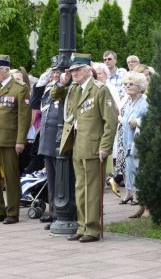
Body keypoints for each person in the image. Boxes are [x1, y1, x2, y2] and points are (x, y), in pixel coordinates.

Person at [52, 53, 118, 242]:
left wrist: (105, 147)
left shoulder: (99, 89)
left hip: (94, 147)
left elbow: (110, 121)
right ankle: (82, 226)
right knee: (80, 188)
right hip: (77, 145)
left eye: (78, 69)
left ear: (89, 70)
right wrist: (62, 83)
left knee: (92, 190)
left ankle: (92, 229)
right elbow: (55, 95)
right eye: (72, 70)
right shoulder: (73, 89)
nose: (74, 73)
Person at [30, 57, 63, 229]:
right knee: (51, 178)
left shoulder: (64, 89)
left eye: (58, 71)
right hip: (47, 140)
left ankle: (61, 212)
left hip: (58, 139)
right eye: (54, 71)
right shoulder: (49, 88)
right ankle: (53, 211)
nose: (55, 74)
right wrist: (39, 85)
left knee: (60, 179)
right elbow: (35, 105)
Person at [0, 54, 32, 224]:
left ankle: (12, 212)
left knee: (11, 177)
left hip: (10, 139)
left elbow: (24, 117)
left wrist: (21, 140)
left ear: (5, 70)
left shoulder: (19, 87)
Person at [120, 72, 148, 218]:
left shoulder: (145, 101)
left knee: (141, 173)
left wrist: (138, 122)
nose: (127, 87)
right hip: (129, 144)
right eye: (126, 84)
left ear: (140, 87)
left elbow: (152, 119)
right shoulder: (129, 101)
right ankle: (141, 206)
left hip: (140, 144)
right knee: (133, 173)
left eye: (131, 84)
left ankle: (148, 208)